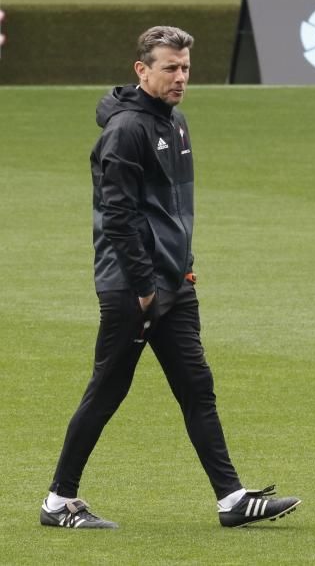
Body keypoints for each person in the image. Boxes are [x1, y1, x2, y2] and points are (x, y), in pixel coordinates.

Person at [40, 26, 300, 529]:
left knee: (196, 386)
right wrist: (143, 287)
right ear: (142, 69)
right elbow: (117, 217)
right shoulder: (126, 131)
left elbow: (169, 209)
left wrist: (180, 263)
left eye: (185, 68)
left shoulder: (175, 122)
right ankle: (57, 501)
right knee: (108, 390)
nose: (181, 77)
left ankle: (231, 498)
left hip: (172, 283)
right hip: (132, 287)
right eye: (170, 68)